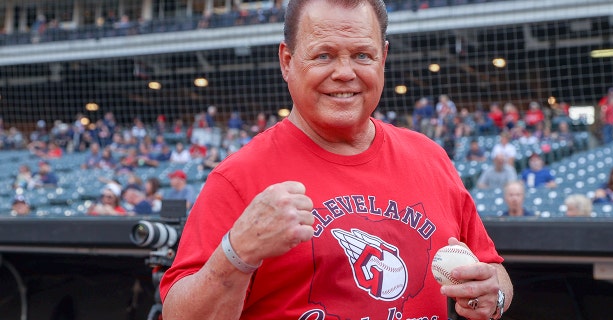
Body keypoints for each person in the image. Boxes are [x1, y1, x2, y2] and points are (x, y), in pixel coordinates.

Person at [160, 1, 512, 320]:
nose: (345, 72)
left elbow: (494, 271)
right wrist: (236, 254)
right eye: (324, 55)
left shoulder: (429, 157)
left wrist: (491, 294)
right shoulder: (238, 177)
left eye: (362, 55)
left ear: (383, 59)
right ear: (287, 61)